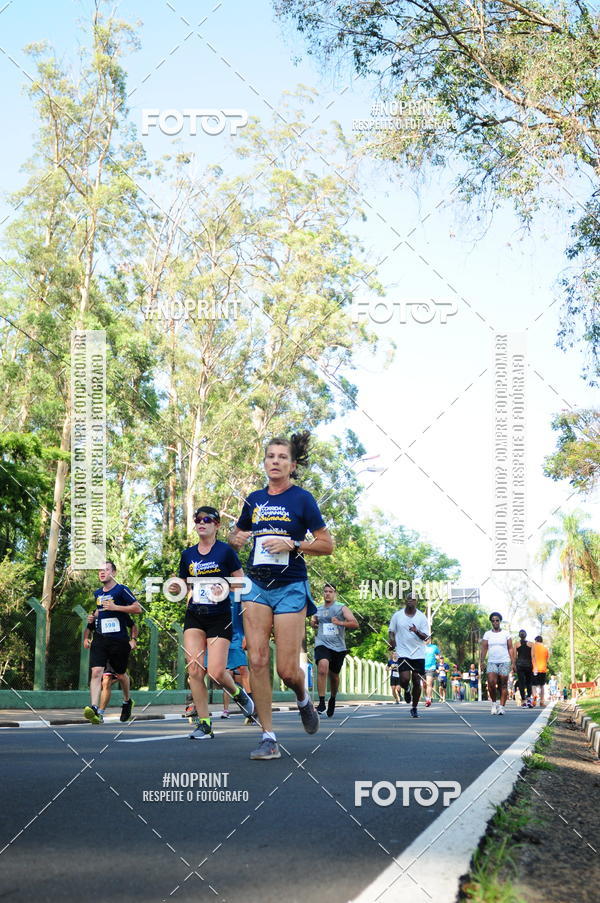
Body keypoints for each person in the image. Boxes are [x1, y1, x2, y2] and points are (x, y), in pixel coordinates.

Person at [229, 432, 334, 760]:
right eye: (270, 457)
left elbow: (327, 544)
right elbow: (236, 536)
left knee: (288, 670)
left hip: (290, 586)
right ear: (265, 462)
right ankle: (268, 736)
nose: (275, 462)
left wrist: (295, 544)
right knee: (257, 659)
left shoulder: (302, 499)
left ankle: (302, 698)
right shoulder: (254, 500)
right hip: (256, 586)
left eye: (281, 457)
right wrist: (237, 539)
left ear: (292, 464)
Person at [172, 505, 254, 740]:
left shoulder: (225, 552)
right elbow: (183, 583)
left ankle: (239, 694)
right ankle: (205, 724)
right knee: (195, 670)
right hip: (195, 615)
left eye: (207, 519)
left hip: (219, 616)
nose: (201, 523)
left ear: (217, 525)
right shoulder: (188, 554)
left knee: (217, 672)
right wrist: (177, 586)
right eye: (198, 519)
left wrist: (225, 586)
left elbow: (242, 583)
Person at [83, 561, 141, 724]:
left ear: (113, 573)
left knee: (121, 674)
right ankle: (94, 708)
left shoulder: (121, 590)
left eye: (106, 570)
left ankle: (127, 701)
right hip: (101, 639)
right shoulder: (97, 594)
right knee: (96, 673)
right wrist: (92, 619)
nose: (102, 572)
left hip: (119, 640)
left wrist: (116, 607)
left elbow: (137, 608)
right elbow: (100, 612)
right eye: (100, 570)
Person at [311, 583, 358, 717]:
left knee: (334, 676)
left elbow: (355, 623)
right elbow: (313, 621)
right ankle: (321, 702)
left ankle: (332, 698)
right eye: (325, 591)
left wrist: (340, 623)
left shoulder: (341, 608)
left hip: (338, 647)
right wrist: (313, 623)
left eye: (330, 591)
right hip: (322, 643)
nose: (327, 594)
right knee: (322, 667)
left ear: (334, 594)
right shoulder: (318, 609)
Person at [388, 596, 430, 718]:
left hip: (418, 653)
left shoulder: (421, 617)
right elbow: (391, 631)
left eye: (413, 599)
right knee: (405, 679)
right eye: (408, 599)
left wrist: (416, 631)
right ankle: (406, 690)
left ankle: (414, 707)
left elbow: (426, 637)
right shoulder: (397, 616)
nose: (410, 601)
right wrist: (392, 641)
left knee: (417, 680)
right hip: (403, 652)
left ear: (416, 602)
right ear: (405, 601)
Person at [93, 620, 139, 722]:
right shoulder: (97, 613)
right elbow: (92, 627)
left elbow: (133, 625)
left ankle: (127, 701)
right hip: (103, 648)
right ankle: (100, 713)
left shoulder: (119, 610)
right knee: (106, 680)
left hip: (118, 646)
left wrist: (134, 640)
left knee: (120, 676)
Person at [219, 601, 252, 720]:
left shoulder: (240, 594)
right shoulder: (218, 591)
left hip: (238, 637)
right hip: (222, 637)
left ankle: (251, 708)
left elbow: (248, 614)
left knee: (243, 670)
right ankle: (226, 709)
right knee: (226, 674)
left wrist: (247, 636)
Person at [480, 612, 515, 715]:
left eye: (497, 620)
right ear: (491, 622)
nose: (495, 622)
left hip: (504, 661)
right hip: (492, 662)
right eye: (493, 620)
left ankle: (502, 707)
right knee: (491, 683)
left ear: (500, 621)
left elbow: (510, 648)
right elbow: (484, 648)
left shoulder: (506, 634)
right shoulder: (487, 634)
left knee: (503, 684)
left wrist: (513, 663)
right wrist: (481, 661)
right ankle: (494, 704)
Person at [515, 629, 534, 708]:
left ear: (519, 635)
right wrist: (534, 665)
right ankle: (529, 699)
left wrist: (514, 665)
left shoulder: (516, 644)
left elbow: (515, 656)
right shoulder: (531, 644)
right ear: (526, 635)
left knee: (521, 683)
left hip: (520, 665)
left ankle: (523, 701)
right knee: (529, 682)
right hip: (529, 665)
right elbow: (533, 656)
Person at [531, 636, 550, 706]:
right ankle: (542, 701)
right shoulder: (545, 649)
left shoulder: (533, 647)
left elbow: (531, 656)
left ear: (536, 640)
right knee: (542, 686)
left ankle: (534, 697)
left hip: (535, 669)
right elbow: (547, 660)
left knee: (533, 685)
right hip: (543, 669)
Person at [423, 638, 440, 707]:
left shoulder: (434, 647)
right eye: (424, 639)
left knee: (429, 684)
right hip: (422, 667)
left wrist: (437, 657)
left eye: (427, 639)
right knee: (424, 686)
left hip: (431, 667)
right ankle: (426, 697)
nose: (425, 640)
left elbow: (438, 654)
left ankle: (428, 699)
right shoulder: (420, 647)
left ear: (429, 640)